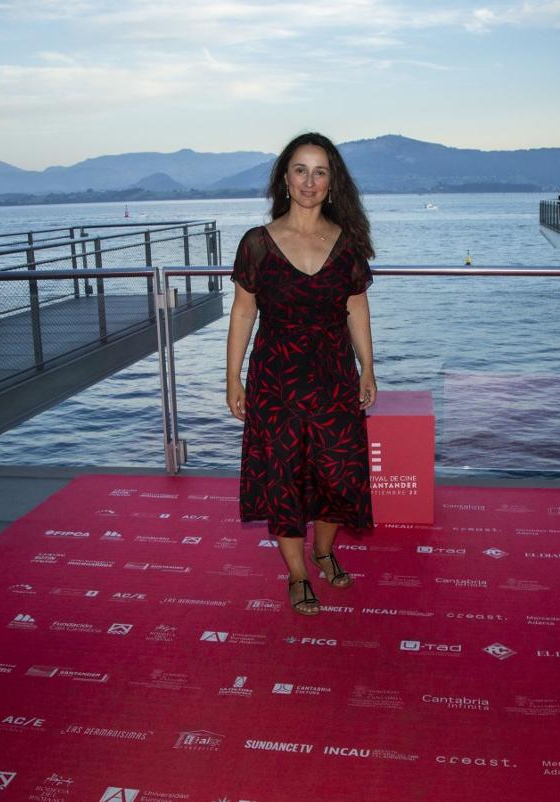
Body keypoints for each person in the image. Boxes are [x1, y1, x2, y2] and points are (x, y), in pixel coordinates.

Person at [225, 132, 377, 617]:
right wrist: (232, 377)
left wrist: (368, 366)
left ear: (333, 183)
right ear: (284, 179)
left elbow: (356, 306)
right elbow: (244, 312)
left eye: (320, 172)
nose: (309, 181)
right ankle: (297, 574)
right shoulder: (258, 244)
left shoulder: (347, 243)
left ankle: (325, 549)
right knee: (284, 477)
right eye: (300, 170)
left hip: (334, 373)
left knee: (336, 474)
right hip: (276, 378)